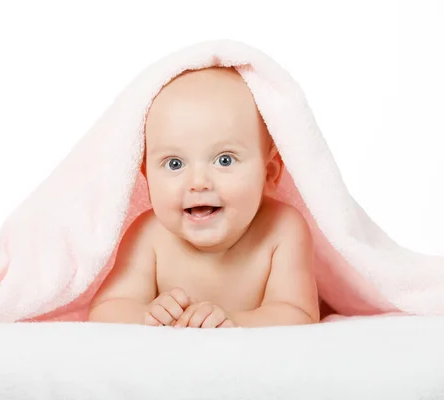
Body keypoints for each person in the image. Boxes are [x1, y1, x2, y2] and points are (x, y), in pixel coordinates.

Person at [88, 66, 319, 328]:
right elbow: (105, 309)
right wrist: (145, 315)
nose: (198, 183)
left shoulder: (282, 230)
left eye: (224, 160)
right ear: (147, 178)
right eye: (174, 164)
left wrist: (234, 321)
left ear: (269, 173)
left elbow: (299, 314)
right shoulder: (149, 235)